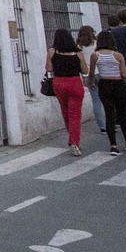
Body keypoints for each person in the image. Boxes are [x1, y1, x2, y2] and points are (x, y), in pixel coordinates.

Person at [92, 29, 126, 155]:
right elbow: (125, 74)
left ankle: (113, 146)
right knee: (122, 114)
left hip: (104, 84)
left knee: (109, 115)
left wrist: (91, 82)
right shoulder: (118, 55)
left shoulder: (95, 55)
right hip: (118, 84)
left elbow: (91, 72)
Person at [48, 28, 86, 156]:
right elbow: (85, 70)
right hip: (75, 82)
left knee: (66, 112)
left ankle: (73, 138)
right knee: (75, 114)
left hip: (59, 83)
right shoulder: (78, 52)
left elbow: (48, 68)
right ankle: (75, 142)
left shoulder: (52, 51)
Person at [77, 25, 104, 134]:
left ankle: (102, 126)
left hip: (88, 75)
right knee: (107, 99)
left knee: (96, 100)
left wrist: (83, 76)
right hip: (101, 73)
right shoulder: (97, 44)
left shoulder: (79, 46)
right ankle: (112, 122)